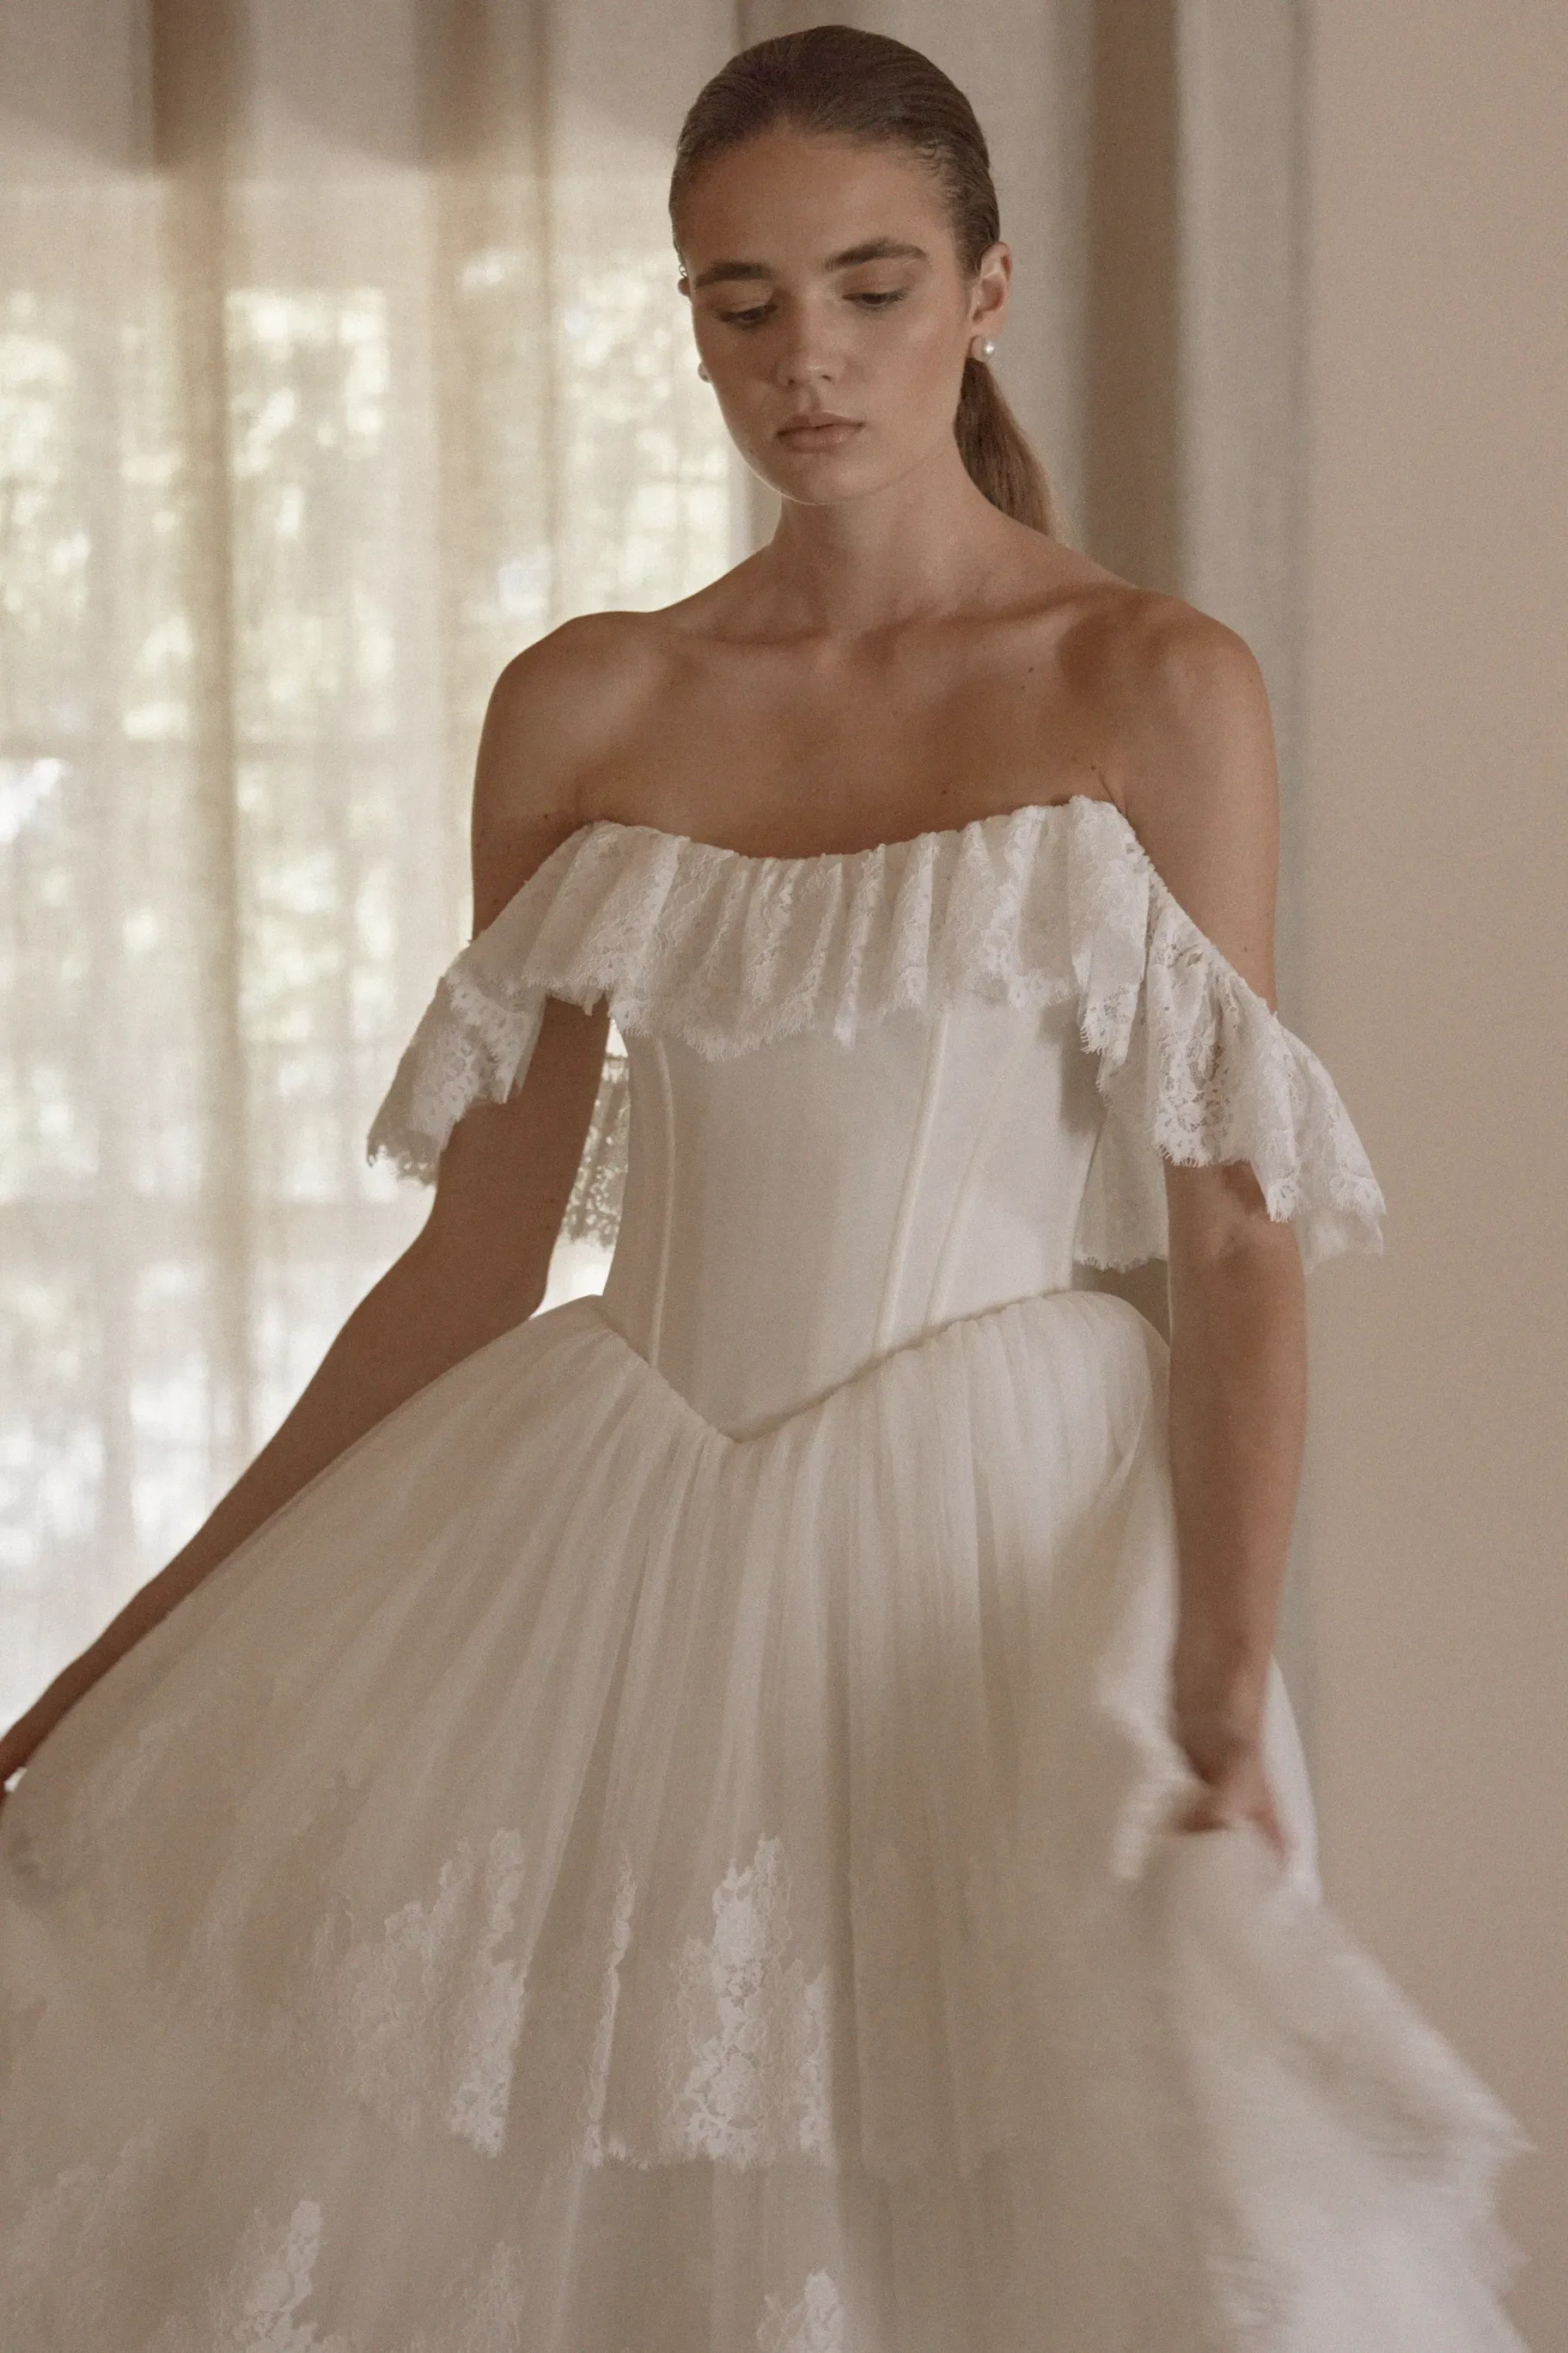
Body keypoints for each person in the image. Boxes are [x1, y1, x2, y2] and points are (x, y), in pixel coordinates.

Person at [0, 24, 1532, 2350]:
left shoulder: (1150, 683)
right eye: (743, 301)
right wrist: (124, 1660)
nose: (806, 356)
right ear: (694, 320)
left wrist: (1224, 1673)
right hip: (620, 1532)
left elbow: (1233, 1241)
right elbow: (476, 1260)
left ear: (986, 293)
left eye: (870, 287)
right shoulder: (592, 707)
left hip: (997, 1556)